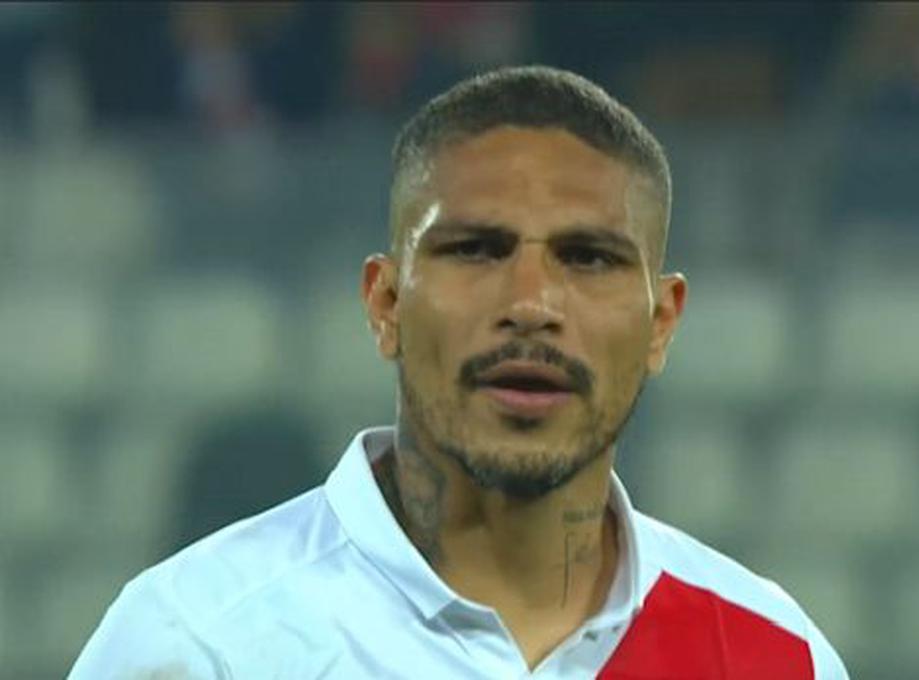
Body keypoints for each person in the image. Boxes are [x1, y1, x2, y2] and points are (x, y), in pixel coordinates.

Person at [70, 65, 848, 679]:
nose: (532, 304)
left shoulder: (776, 657)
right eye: (475, 249)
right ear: (385, 302)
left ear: (661, 322)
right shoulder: (202, 644)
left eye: (588, 257)